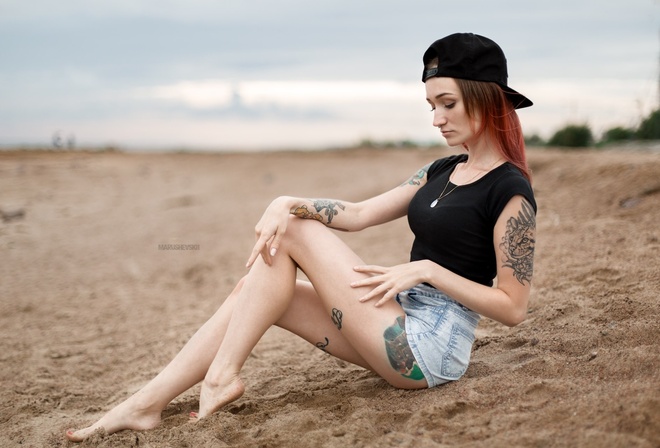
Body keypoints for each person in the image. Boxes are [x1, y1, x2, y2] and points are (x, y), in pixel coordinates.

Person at [66, 32, 537, 442]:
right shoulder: (441, 170)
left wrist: (429, 270)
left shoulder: (509, 189)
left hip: (430, 349)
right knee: (257, 289)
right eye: (432, 106)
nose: (437, 119)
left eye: (448, 104)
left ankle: (221, 377)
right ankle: (146, 405)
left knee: (290, 232)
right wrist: (284, 201)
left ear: (486, 98)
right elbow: (356, 214)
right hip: (394, 326)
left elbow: (513, 308)